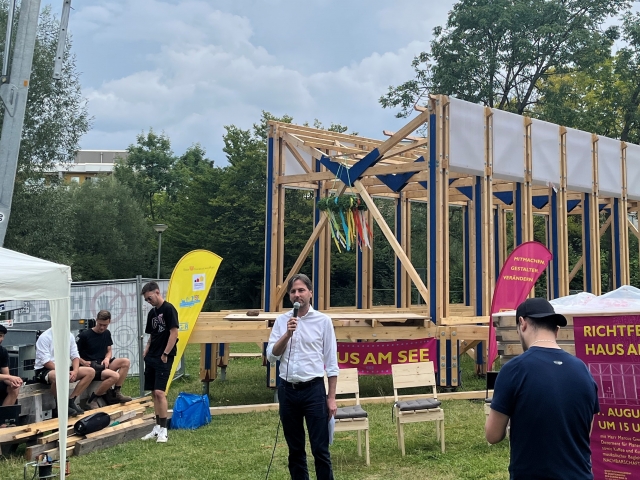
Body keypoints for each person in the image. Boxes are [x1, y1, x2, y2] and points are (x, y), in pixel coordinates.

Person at [485, 297, 600, 480]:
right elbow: (585, 432)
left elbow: (493, 435)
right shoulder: (583, 370)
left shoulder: (514, 369)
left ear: (522, 323)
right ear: (556, 330)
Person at [266, 273, 338, 480]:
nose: (297, 295)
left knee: (320, 449)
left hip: (313, 391)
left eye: (301, 290)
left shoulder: (323, 321)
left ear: (310, 293)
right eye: (293, 291)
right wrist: (287, 334)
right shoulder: (282, 321)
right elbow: (271, 356)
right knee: (295, 450)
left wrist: (331, 398)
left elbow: (331, 363)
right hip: (288, 391)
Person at [139, 282, 179, 444]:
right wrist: (146, 350)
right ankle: (156, 427)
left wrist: (166, 353)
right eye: (146, 300)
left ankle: (164, 429)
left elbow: (174, 333)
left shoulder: (169, 309)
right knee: (153, 393)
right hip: (152, 355)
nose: (149, 301)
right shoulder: (152, 313)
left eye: (150, 298)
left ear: (157, 292)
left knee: (160, 392)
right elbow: (152, 334)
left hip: (164, 356)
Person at [77, 310, 132, 409]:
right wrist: (83, 362)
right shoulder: (84, 335)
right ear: (96, 320)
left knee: (126, 362)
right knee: (115, 376)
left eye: (105, 325)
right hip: (92, 366)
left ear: (109, 322)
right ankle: (93, 399)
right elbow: (73, 354)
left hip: (103, 364)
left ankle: (116, 392)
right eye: (100, 324)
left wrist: (107, 358)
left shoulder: (107, 333)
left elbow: (109, 350)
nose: (102, 327)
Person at [34, 327, 95, 417]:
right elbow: (45, 361)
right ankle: (60, 406)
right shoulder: (45, 337)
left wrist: (75, 371)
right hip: (45, 369)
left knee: (90, 372)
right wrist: (63, 372)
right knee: (59, 376)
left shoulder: (69, 336)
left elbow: (75, 356)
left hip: (65, 368)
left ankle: (71, 401)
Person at [0, 325, 23, 406]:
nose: (1, 339)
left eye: (2, 336)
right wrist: (9, 377)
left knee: (14, 389)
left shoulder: (2, 351)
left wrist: (13, 382)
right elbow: (7, 376)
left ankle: (4, 413)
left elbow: (6, 374)